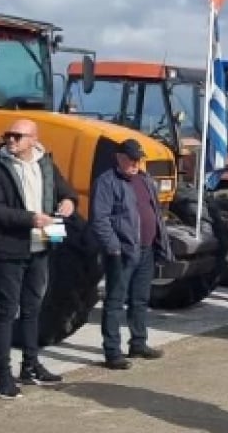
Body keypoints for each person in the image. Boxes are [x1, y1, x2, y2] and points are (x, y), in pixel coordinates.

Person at [0, 118, 76, 398]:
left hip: (40, 247)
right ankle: (2, 375)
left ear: (34, 139)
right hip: (9, 248)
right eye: (9, 135)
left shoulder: (46, 165)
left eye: (18, 136)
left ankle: (30, 365)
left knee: (33, 308)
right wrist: (30, 219)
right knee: (8, 311)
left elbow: (66, 192)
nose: (10, 140)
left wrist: (68, 202)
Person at [89, 138, 172, 369]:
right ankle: (112, 351)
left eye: (138, 159)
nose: (136, 164)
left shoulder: (144, 179)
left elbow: (154, 212)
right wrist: (113, 247)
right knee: (115, 301)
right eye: (131, 159)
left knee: (140, 299)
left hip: (146, 249)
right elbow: (100, 219)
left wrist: (160, 240)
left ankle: (138, 342)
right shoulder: (107, 182)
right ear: (119, 158)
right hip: (122, 252)